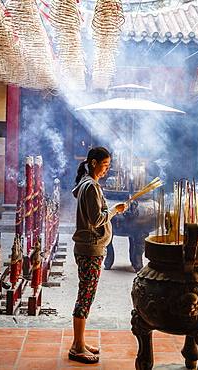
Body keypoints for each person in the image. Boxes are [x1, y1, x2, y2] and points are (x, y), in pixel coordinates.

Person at [68, 146, 127, 364]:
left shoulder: (87, 184)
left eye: (108, 166)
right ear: (93, 163)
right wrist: (114, 211)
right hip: (89, 249)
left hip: (89, 248)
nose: (106, 170)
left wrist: (111, 209)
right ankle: (76, 347)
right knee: (85, 296)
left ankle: (80, 342)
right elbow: (95, 220)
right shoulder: (90, 186)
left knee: (87, 295)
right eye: (104, 165)